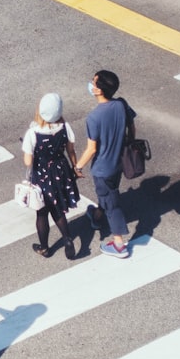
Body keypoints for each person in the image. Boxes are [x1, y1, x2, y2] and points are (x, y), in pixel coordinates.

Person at [74, 70, 137, 259]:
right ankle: (96, 216)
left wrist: (77, 167)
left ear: (99, 90)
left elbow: (91, 149)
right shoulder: (121, 104)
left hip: (103, 168)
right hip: (118, 163)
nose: (91, 85)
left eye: (93, 82)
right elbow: (131, 126)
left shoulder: (94, 117)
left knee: (112, 203)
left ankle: (118, 244)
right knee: (109, 193)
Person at [21, 93, 79, 260]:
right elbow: (71, 151)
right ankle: (67, 238)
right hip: (61, 171)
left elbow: (28, 161)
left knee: (42, 213)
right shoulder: (65, 127)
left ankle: (44, 247)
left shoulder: (33, 132)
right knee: (58, 208)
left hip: (42, 175)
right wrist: (75, 167)